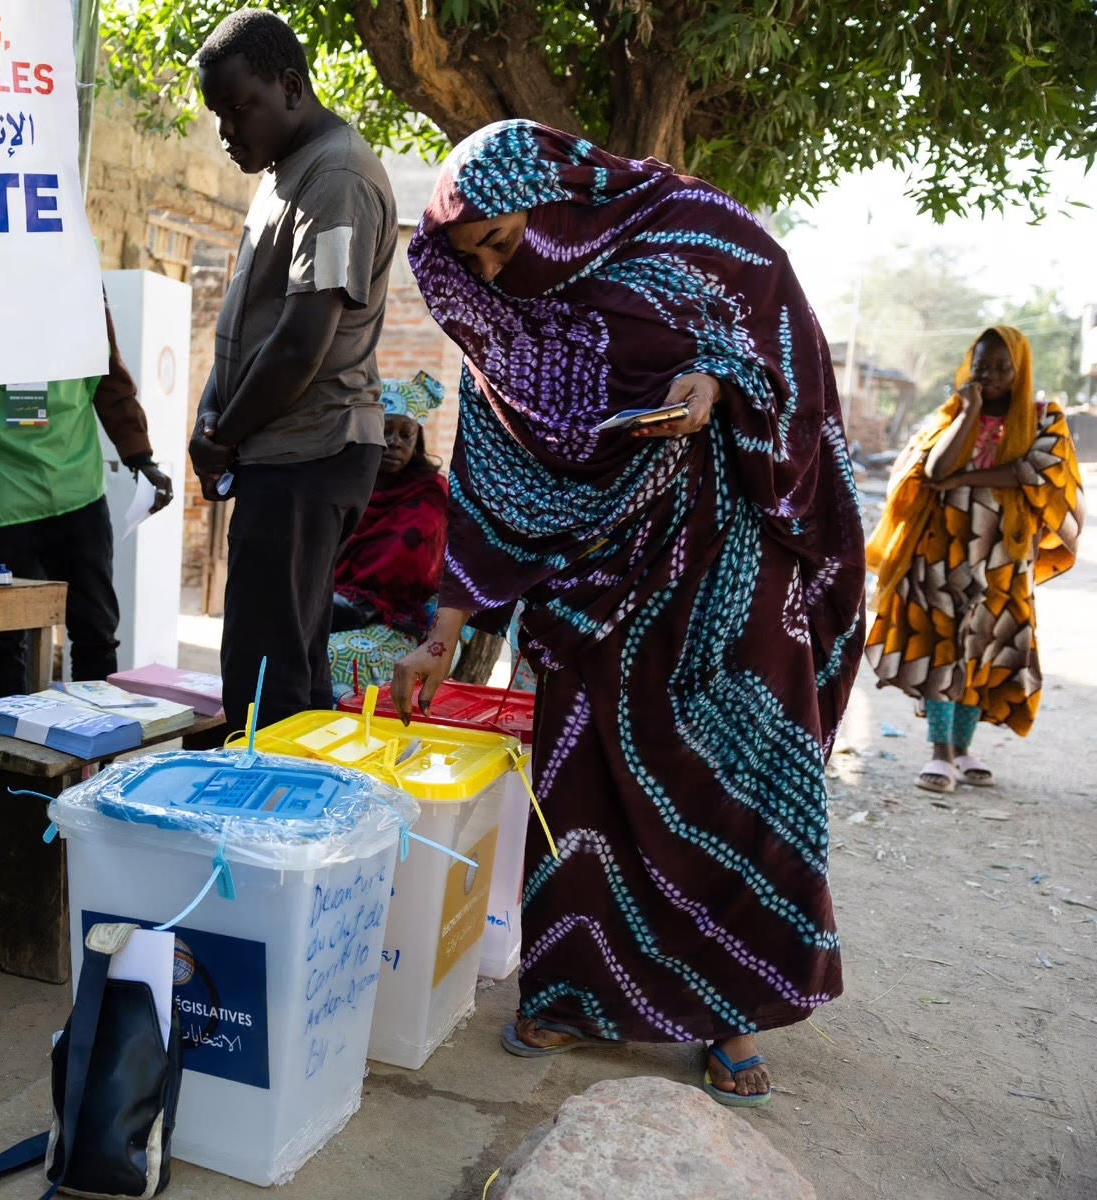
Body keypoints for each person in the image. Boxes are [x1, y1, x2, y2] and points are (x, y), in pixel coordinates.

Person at [391, 120, 865, 1107]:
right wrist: (443, 629)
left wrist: (718, 385)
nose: (495, 268)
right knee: (581, 786)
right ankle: (572, 989)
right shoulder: (501, 317)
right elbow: (490, 477)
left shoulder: (699, 235)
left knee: (736, 781)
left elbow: (789, 363)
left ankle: (732, 1006)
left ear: (547, 193)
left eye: (502, 241)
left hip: (724, 570)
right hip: (591, 586)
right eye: (472, 254)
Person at [188, 8, 397, 729]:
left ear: (291, 85)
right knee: (286, 669)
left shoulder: (335, 175)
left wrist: (224, 437)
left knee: (265, 681)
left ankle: (266, 836)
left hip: (312, 448)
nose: (227, 131)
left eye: (239, 106)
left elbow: (303, 340)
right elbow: (249, 327)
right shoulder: (288, 173)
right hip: (281, 449)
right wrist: (210, 419)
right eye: (217, 114)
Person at [0, 302, 174, 698]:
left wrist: (141, 457)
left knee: (95, 633)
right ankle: (9, 755)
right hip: (4, 504)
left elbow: (111, 382)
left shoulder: (78, 281)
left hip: (78, 496)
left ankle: (97, 754)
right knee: (5, 639)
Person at [865, 326, 1082, 792]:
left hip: (1005, 557)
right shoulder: (949, 416)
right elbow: (935, 470)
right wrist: (970, 412)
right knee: (944, 645)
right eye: (982, 366)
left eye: (1003, 368)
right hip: (941, 554)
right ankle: (939, 752)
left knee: (983, 647)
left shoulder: (1045, 419)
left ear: (1020, 370)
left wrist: (965, 480)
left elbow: (1037, 472)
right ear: (969, 366)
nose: (992, 376)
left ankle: (963, 750)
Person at [327, 372, 450, 697]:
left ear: (417, 440)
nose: (395, 442)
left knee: (331, 656)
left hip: (404, 623)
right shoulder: (348, 485)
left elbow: (411, 563)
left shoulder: (429, 491)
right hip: (336, 607)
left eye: (406, 434)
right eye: (386, 431)